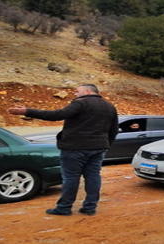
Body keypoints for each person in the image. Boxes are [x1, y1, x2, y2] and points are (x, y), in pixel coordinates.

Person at [7, 84, 118, 216]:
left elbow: (57, 115)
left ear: (87, 91)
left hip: (75, 147)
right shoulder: (109, 106)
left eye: (77, 91)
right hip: (99, 148)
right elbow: (114, 130)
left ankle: (64, 208)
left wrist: (28, 111)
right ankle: (90, 207)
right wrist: (105, 145)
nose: (75, 94)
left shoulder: (81, 103)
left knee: (71, 178)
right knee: (93, 176)